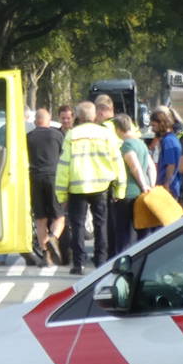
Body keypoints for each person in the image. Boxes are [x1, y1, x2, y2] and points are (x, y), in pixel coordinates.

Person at [54, 101, 123, 274]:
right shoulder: (106, 134)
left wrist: (61, 194)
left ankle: (79, 263)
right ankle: (101, 260)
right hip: (101, 186)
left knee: (77, 226)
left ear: (77, 117)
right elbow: (117, 162)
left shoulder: (72, 135)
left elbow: (63, 166)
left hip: (78, 187)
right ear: (94, 116)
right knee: (101, 224)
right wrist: (119, 188)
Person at [26, 107, 66, 263]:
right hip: (54, 177)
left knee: (40, 218)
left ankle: (45, 254)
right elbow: (64, 158)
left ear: (36, 121)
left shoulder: (28, 137)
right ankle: (53, 238)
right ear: (49, 121)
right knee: (59, 216)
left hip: (35, 178)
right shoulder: (57, 135)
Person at [111, 114, 155, 250]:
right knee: (142, 230)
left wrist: (143, 186)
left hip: (129, 193)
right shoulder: (141, 143)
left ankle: (123, 258)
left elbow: (134, 166)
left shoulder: (127, 145)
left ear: (118, 129)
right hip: (143, 193)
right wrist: (150, 185)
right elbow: (151, 166)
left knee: (124, 232)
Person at [149, 106, 183, 200]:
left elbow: (171, 165)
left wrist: (167, 184)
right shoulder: (169, 139)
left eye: (154, 126)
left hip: (170, 188)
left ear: (162, 124)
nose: (152, 129)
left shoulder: (168, 141)